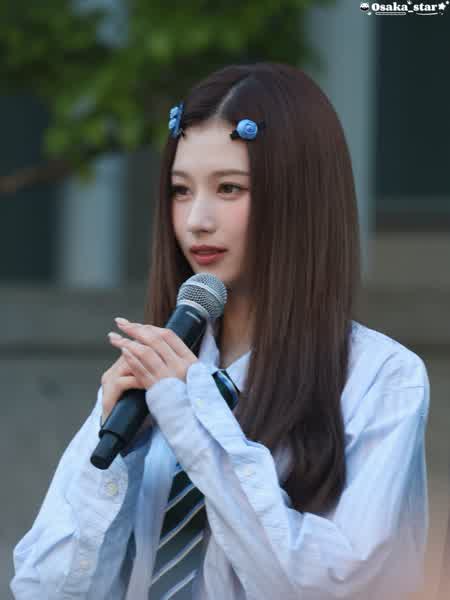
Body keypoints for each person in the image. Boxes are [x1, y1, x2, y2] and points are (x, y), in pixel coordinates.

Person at [10, 62, 430, 600]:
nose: (196, 221)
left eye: (229, 188)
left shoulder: (381, 378)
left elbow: (336, 586)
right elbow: (42, 589)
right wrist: (111, 456)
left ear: (300, 198)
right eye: (181, 191)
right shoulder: (151, 380)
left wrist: (195, 421)